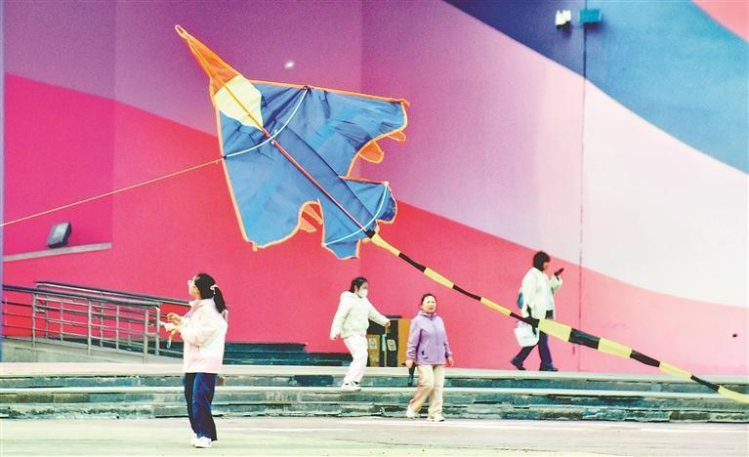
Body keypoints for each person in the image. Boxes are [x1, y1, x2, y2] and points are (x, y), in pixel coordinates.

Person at [164, 273, 228, 449]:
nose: (189, 284)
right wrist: (181, 322)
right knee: (191, 397)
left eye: (191, 283)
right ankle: (201, 432)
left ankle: (205, 435)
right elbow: (194, 327)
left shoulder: (209, 310)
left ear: (198, 289)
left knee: (199, 398)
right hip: (195, 361)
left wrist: (179, 329)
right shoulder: (199, 308)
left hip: (206, 362)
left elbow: (200, 336)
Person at [330, 277, 390, 391]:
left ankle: (354, 381)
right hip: (350, 333)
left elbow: (373, 314)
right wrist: (335, 331)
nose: (366, 290)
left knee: (363, 356)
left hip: (361, 334)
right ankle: (348, 382)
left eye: (367, 288)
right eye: (364, 288)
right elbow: (340, 316)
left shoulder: (364, 301)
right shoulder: (348, 300)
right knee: (360, 355)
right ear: (356, 288)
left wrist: (384, 321)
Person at [510, 251, 563, 371]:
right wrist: (528, 315)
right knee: (541, 339)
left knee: (538, 338)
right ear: (540, 262)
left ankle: (519, 359)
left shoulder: (542, 276)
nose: (547, 265)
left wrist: (555, 278)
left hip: (545, 313)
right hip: (536, 314)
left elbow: (550, 292)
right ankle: (546, 364)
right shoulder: (531, 276)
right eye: (546, 262)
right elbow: (528, 296)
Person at [405, 293, 454, 422]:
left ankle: (434, 413)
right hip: (424, 358)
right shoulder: (417, 321)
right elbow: (412, 341)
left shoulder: (439, 320)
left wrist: (448, 354)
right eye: (428, 302)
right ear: (421, 305)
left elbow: (444, 339)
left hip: (439, 358)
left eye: (433, 302)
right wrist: (410, 357)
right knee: (427, 384)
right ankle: (413, 407)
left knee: (438, 387)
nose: (431, 304)